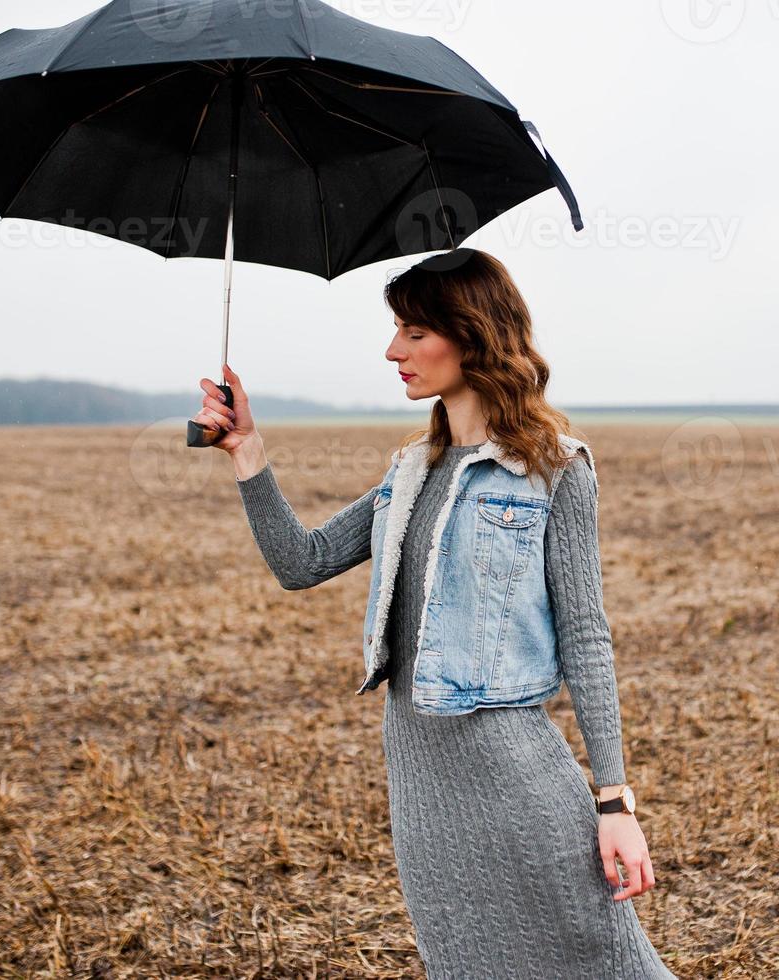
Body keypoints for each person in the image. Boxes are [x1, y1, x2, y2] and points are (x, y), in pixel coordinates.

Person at [190, 248, 676, 979]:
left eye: (415, 332)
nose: (394, 351)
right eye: (397, 331)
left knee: (602, 962)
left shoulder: (553, 468)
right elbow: (303, 562)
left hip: (517, 778)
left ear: (472, 334)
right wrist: (246, 450)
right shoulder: (409, 470)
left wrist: (613, 804)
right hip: (422, 786)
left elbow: (585, 636)